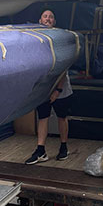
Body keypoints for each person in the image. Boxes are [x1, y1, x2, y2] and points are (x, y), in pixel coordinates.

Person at [25, 9, 73, 165]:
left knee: (61, 117)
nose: (48, 19)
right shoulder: (37, 39)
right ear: (40, 20)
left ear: (55, 21)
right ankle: (41, 151)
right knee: (43, 117)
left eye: (51, 17)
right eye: (45, 16)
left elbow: (64, 66)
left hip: (61, 86)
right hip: (44, 87)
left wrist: (58, 90)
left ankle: (64, 147)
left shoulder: (61, 37)